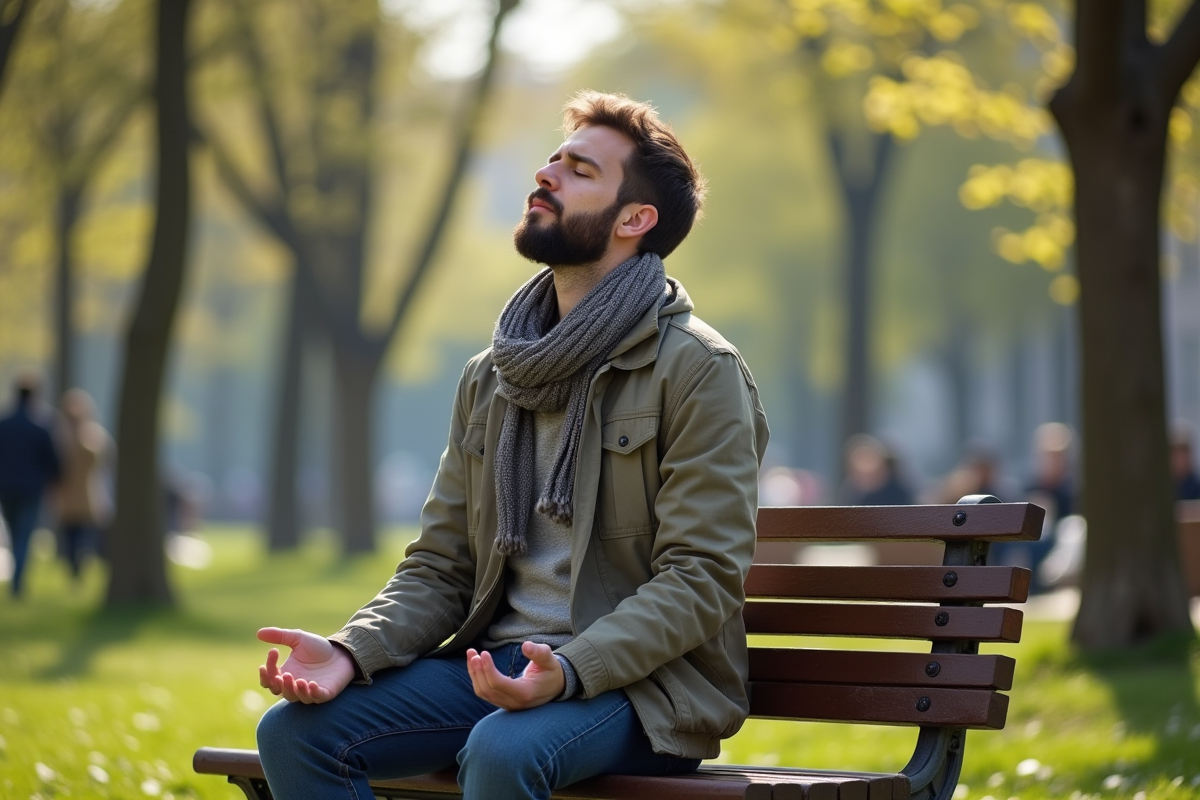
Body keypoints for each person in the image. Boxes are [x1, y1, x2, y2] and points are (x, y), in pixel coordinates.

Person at [253, 91, 770, 800]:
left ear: (634, 219)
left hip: (641, 689)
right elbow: (442, 565)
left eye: (580, 170)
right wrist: (352, 650)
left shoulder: (697, 370)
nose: (546, 175)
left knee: (501, 751)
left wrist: (573, 668)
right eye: (553, 159)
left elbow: (701, 576)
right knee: (294, 733)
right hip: (494, 666)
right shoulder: (493, 375)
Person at [0, 374, 61, 598]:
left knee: (16, 533)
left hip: (6, 488)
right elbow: (53, 461)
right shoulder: (40, 427)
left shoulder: (3, 425)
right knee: (24, 534)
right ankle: (18, 582)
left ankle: (16, 580)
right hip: (31, 489)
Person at [53, 389, 114, 583]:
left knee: (81, 536)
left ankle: (77, 569)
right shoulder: (63, 436)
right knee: (73, 536)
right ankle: (75, 570)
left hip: (85, 495)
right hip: (72, 496)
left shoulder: (88, 435)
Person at [1171, 422, 1200, 501]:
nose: (1181, 457)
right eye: (1175, 451)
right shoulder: (1162, 487)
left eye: (1184, 450)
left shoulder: (1197, 487)